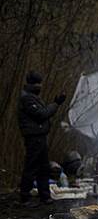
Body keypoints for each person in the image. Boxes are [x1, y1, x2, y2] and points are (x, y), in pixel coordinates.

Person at [17, 71, 65, 206]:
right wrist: (56, 103)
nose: (40, 86)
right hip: (34, 138)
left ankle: (45, 196)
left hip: (40, 137)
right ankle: (24, 198)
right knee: (31, 167)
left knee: (43, 168)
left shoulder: (32, 97)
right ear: (32, 84)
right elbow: (41, 114)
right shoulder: (27, 98)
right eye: (38, 84)